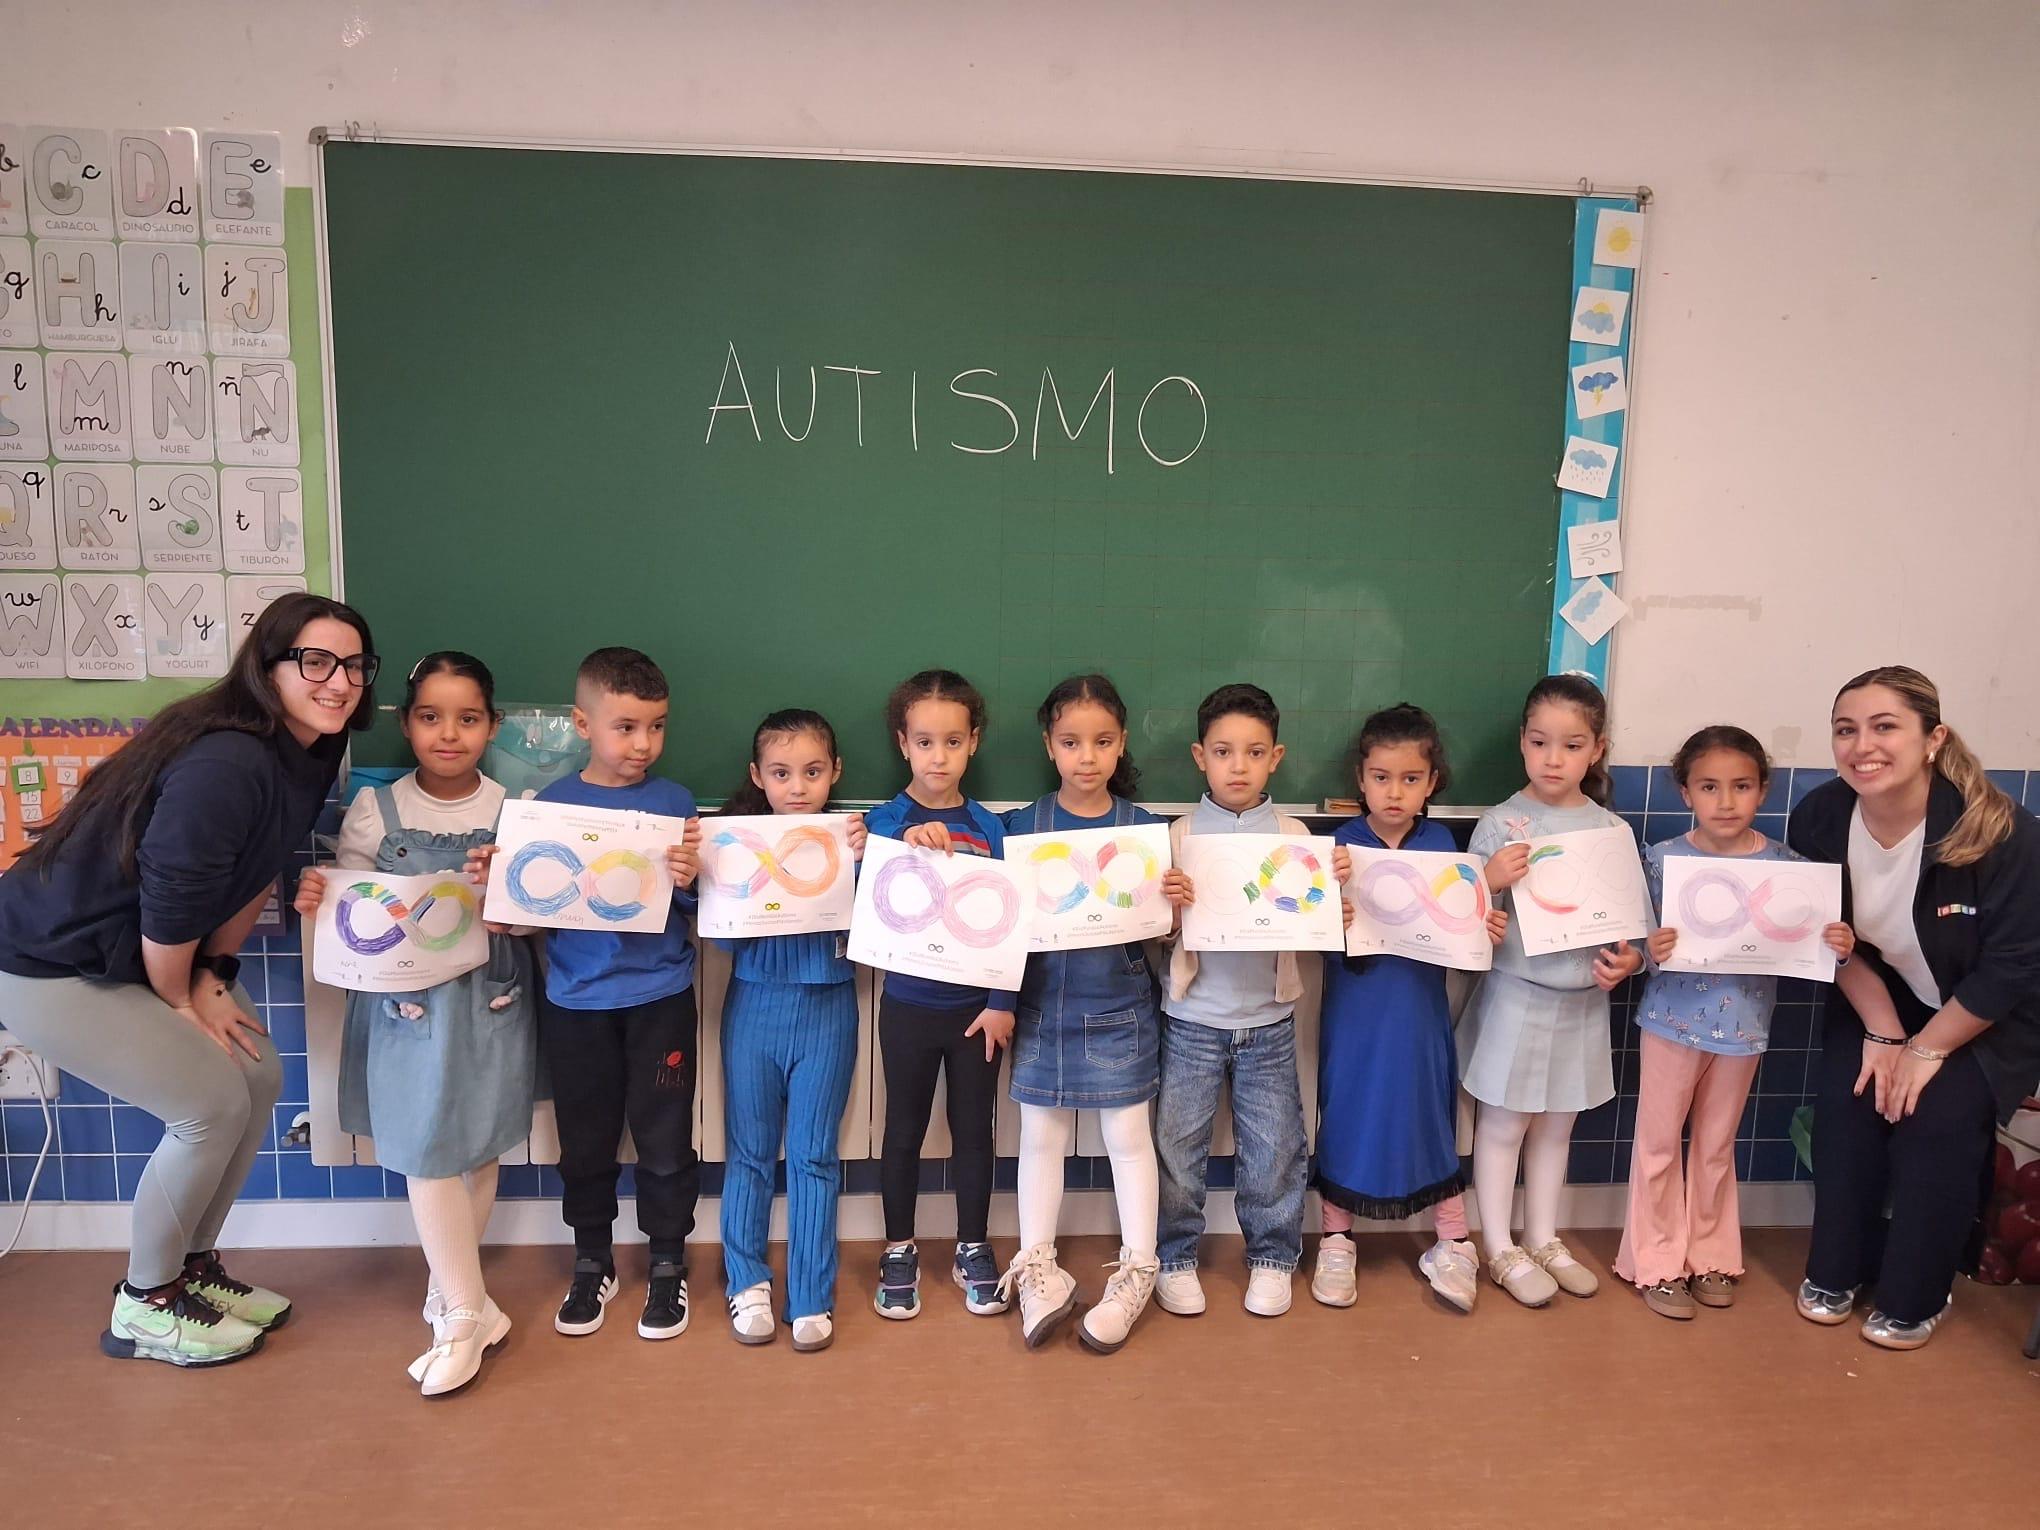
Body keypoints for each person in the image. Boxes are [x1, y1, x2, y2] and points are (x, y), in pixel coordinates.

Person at [0, 593, 377, 1366]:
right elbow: (172, 902)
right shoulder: (228, 759)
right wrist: (180, 995)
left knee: (258, 1076)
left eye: (353, 665)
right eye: (315, 661)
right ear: (266, 667)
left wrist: (212, 973)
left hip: (151, 952)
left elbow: (253, 872)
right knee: (206, 1103)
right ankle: (145, 1303)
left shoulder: (308, 749)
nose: (339, 682)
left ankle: (192, 1270)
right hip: (51, 960)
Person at [294, 652, 538, 1393]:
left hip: (490, 996)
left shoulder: (516, 809)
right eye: (431, 717)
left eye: (468, 719)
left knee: (480, 1143)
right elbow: (351, 902)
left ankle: (452, 1298)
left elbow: (533, 921)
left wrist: (508, 900)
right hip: (404, 1004)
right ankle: (465, 1312)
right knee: (425, 1148)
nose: (449, 734)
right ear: (408, 723)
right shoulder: (378, 809)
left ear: (491, 726)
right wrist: (320, 893)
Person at [1787, 665, 2040, 1350]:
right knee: (1850, 1109)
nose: (1861, 745)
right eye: (1846, 729)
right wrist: (1885, 1032)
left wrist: (1927, 1050)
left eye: (1884, 726)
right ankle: (1839, 1271)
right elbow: (1830, 940)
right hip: (1881, 991)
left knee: (1936, 1123)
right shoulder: (1820, 815)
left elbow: (2013, 966)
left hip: (1985, 1012)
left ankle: (1916, 1295)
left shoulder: (2001, 832)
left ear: (1933, 739)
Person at [471, 647, 703, 1342]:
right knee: (586, 1142)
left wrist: (691, 879)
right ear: (582, 723)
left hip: (661, 996)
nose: (643, 744)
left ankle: (667, 1261)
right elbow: (519, 916)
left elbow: (695, 907)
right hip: (575, 1001)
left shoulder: (674, 803)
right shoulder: (548, 809)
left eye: (657, 727)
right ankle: (591, 1258)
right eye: (626, 727)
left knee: (665, 1139)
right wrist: (500, 882)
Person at [1615, 726, 1852, 1320]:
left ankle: (1713, 1256)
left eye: (1741, 786)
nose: (1726, 801)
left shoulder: (1790, 868)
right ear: (1685, 791)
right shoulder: (1663, 860)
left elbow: (1812, 947)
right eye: (1710, 786)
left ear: (1763, 790)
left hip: (1744, 1028)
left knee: (1717, 1147)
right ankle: (1657, 1263)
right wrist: (1649, 948)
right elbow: (1637, 947)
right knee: (1659, 1145)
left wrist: (1838, 944)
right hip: (1670, 1022)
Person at [998, 674, 1185, 1354]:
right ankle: (1039, 1266)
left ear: (1121, 744)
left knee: (1128, 1138)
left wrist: (1175, 906)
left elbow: (1162, 934)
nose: (1087, 756)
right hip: (1043, 1005)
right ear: (1049, 746)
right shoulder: (1020, 827)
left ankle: (1139, 1267)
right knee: (1040, 1135)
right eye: (1072, 742)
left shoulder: (1144, 831)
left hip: (1118, 1006)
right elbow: (1000, 925)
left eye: (1102, 742)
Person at [1313, 704, 1504, 1316]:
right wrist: (1327, 909)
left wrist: (1483, 923)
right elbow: (1314, 932)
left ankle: (1453, 1240)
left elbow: (1458, 933)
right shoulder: (1341, 845)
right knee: (1348, 1110)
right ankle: (1336, 1239)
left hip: (1419, 1007)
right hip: (1356, 1008)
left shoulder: (1442, 844)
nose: (1395, 793)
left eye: (1411, 779)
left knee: (1427, 1109)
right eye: (1380, 777)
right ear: (1361, 780)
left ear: (1433, 782)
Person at [1154, 683, 1337, 1320]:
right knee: (1179, 1146)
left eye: (1254, 752)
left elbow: (1319, 927)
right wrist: (1168, 908)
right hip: (1192, 1019)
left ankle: (1272, 1255)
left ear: (1276, 758)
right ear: (1199, 756)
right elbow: (1161, 933)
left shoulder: (1294, 834)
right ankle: (1174, 1258)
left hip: (1270, 1021)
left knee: (1276, 1146)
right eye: (1224, 751)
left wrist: (1331, 891)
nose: (1239, 765)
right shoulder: (1178, 835)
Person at [1459, 674, 1642, 1306]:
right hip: (1517, 996)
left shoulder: (1611, 831)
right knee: (1504, 1125)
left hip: (1583, 1002)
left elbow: (1631, 930)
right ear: (1522, 744)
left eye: (1571, 745)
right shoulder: (1501, 824)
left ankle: (1542, 1236)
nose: (1553, 758)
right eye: (1540, 743)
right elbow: (1461, 921)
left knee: (1556, 1127)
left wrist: (1628, 963)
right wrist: (1491, 879)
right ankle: (1500, 1246)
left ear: (1597, 750)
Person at [864, 669, 1017, 1321]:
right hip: (907, 1006)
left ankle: (972, 1245)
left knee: (973, 1133)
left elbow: (1015, 923)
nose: (938, 756)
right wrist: (901, 844)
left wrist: (1003, 1002)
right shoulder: (882, 821)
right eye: (925, 742)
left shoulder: (991, 827)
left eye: (952, 742)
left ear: (973, 743)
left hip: (975, 1011)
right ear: (903, 744)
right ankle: (899, 1248)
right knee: (902, 1128)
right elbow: (862, 891)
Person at [713, 709, 865, 1353]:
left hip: (828, 1009)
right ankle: (746, 1281)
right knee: (748, 1151)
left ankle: (810, 1295)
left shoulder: (854, 841)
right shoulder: (734, 841)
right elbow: (705, 916)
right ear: (759, 777)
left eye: (811, 771)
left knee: (812, 1155)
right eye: (781, 773)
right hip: (752, 1006)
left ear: (835, 773)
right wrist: (700, 871)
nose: (797, 787)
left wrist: (869, 862)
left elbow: (893, 916)